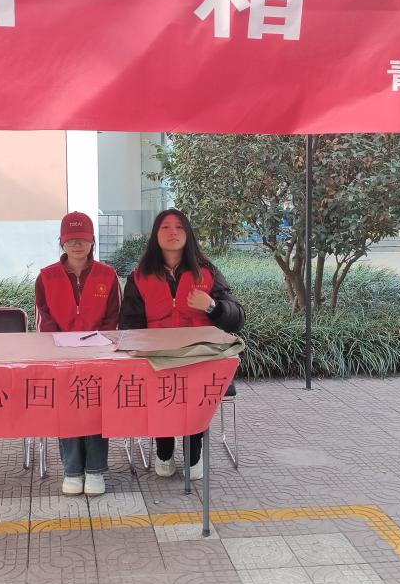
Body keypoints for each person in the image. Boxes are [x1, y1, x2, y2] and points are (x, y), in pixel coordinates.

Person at [119, 208, 245, 480]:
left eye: (179, 227)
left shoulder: (207, 273)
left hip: (199, 358)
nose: (173, 232)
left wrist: (212, 306)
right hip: (158, 359)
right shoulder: (139, 276)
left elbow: (237, 318)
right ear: (156, 235)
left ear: (188, 234)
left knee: (195, 390)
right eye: (165, 227)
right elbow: (128, 326)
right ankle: (164, 450)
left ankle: (193, 452)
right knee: (160, 390)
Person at [35, 211, 120, 496]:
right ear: (61, 241)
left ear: (92, 240)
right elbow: (43, 318)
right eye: (70, 239)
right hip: (62, 357)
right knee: (68, 408)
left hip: (98, 355)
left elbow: (113, 318)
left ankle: (95, 470)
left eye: (82, 239)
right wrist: (60, 346)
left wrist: (99, 345)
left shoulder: (107, 275)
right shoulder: (46, 277)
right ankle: (72, 471)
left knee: (96, 408)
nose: (76, 244)